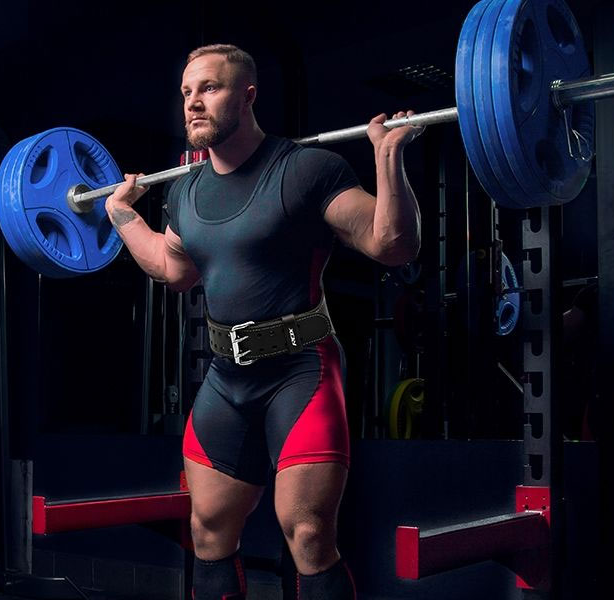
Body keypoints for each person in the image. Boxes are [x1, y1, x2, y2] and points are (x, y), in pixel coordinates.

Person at [105, 44, 421, 600]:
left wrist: (387, 156)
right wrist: (122, 215)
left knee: (308, 534)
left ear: (248, 95)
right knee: (207, 531)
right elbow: (174, 269)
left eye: (209, 88)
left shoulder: (305, 169)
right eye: (186, 92)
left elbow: (389, 244)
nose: (193, 103)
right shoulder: (185, 191)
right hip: (226, 378)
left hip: (299, 371)